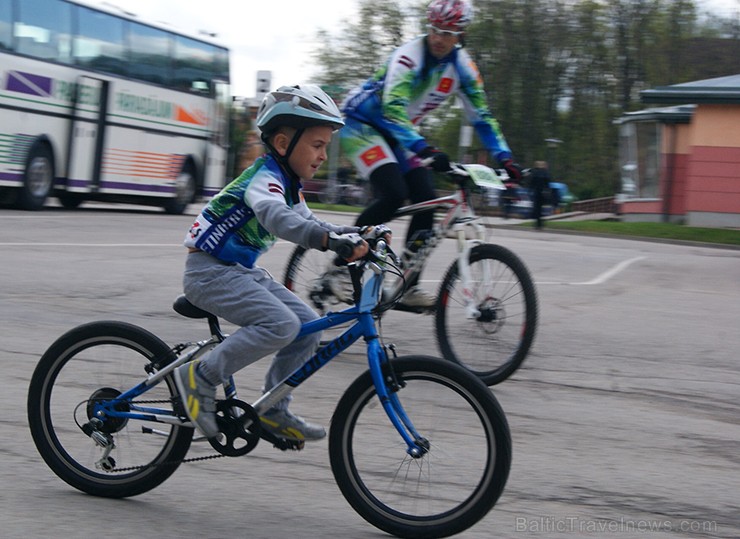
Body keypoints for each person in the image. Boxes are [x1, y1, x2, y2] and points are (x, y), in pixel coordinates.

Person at [174, 84, 373, 442]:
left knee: (307, 326)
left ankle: (273, 409)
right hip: (208, 273)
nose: (324, 156)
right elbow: (278, 219)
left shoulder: (287, 185)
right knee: (280, 324)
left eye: (325, 147)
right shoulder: (264, 180)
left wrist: (359, 233)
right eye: (317, 145)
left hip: (238, 273)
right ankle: (200, 377)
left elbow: (312, 225)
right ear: (283, 144)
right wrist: (331, 242)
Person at [339, 0, 523, 307]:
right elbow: (393, 110)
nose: (439, 38)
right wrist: (426, 149)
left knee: (426, 199)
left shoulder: (463, 68)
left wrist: (505, 158)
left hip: (401, 134)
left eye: (448, 33)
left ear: (461, 34)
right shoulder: (408, 57)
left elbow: (482, 116)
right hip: (363, 124)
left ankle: (408, 284)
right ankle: (343, 268)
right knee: (394, 193)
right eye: (435, 30)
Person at [529, 160, 552, 230]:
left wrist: (530, 189)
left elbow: (532, 182)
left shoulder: (534, 173)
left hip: (536, 192)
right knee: (541, 208)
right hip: (543, 192)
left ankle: (537, 223)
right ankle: (540, 223)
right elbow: (548, 183)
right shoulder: (546, 173)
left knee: (536, 208)